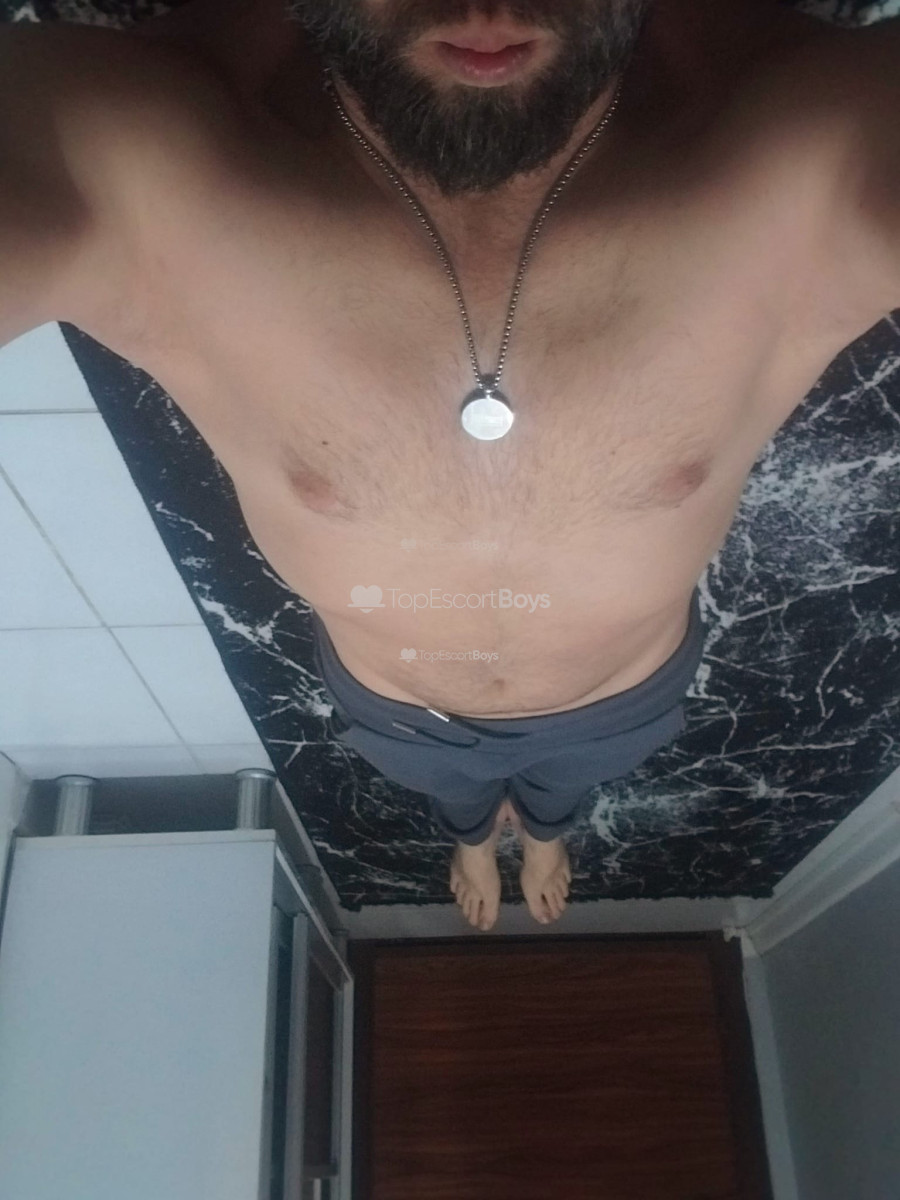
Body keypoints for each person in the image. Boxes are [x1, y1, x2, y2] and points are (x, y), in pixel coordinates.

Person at [2, 0, 898, 931]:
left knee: (563, 796)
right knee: (455, 799)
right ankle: (472, 837)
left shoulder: (810, 154)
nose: (486, 11)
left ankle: (546, 832)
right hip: (400, 706)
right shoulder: (138, 162)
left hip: (617, 697)